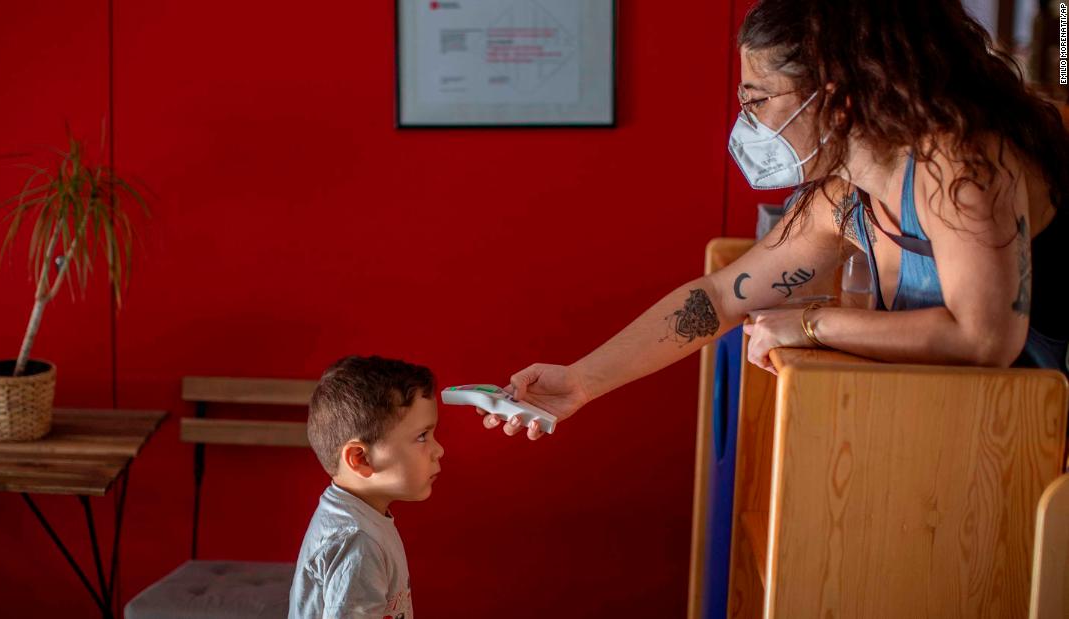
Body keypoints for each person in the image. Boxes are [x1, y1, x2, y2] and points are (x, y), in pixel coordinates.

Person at [479, 0, 1068, 441]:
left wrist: (810, 324)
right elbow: (717, 298)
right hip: (988, 442)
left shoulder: (960, 165)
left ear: (836, 101)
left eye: (758, 100)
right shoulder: (844, 195)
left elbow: (984, 338)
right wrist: (583, 382)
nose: (748, 121)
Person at [289, 355, 443, 618]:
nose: (439, 450)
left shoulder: (360, 516)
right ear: (360, 459)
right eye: (422, 436)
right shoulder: (357, 541)